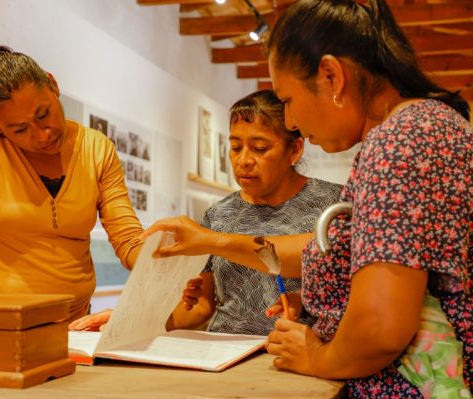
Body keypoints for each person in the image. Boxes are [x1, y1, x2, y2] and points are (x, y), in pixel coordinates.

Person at [142, 0, 473, 399]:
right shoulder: (416, 131)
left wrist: (317, 355)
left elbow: (380, 327)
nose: (291, 121)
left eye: (288, 101)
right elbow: (366, 261)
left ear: (331, 76)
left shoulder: (401, 143)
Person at [69, 89, 343, 334]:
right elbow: (200, 306)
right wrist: (131, 320)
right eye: (235, 147)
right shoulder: (219, 214)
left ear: (294, 150)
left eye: (259, 148)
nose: (243, 160)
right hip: (226, 353)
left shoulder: (331, 204)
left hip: (301, 351)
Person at [0, 46, 144, 322]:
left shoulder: (96, 149)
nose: (42, 135)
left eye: (43, 114)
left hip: (72, 323)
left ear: (52, 85)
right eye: (20, 129)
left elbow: (128, 239)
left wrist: (163, 263)